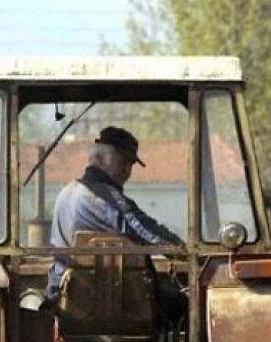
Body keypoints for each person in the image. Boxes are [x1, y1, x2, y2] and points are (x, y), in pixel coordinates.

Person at [45, 126, 186, 324]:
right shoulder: (105, 197)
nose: (127, 170)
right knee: (185, 305)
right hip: (105, 294)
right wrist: (183, 251)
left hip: (64, 293)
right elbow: (145, 231)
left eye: (131, 164)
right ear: (99, 160)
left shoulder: (67, 192)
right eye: (123, 161)